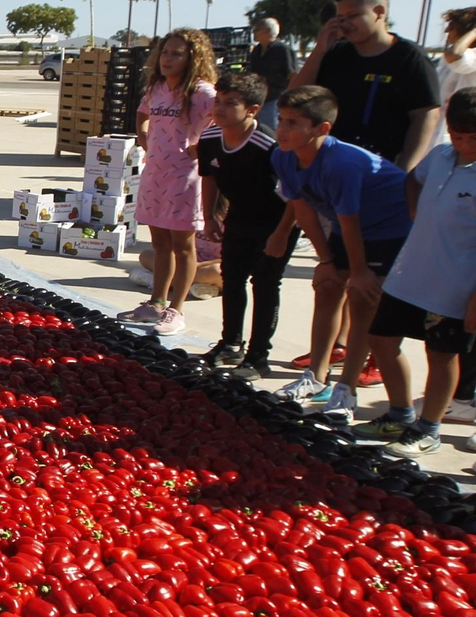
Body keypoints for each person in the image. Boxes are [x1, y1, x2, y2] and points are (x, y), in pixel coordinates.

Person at [270, 86, 412, 425]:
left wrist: (360, 271)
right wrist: (327, 262)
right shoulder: (282, 155)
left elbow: (352, 224)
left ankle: (346, 390)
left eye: (293, 123)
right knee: (328, 287)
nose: (283, 129)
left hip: (390, 227)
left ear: (322, 129)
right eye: (281, 120)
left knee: (362, 300)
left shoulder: (343, 164)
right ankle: (317, 377)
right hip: (344, 224)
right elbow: (303, 210)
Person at [352, 88, 476, 456]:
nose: (464, 143)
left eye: (472, 138)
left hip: (455, 283)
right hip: (411, 271)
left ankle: (430, 428)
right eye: (457, 135)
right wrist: (413, 211)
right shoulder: (439, 155)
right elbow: (413, 178)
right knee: (381, 339)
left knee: (442, 355)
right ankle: (401, 412)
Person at [118, 28, 218, 336]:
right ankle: (156, 302)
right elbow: (142, 113)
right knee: (159, 244)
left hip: (185, 178)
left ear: (193, 57)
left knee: (182, 246)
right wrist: (143, 132)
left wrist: (202, 148)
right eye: (165, 52)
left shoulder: (203, 94)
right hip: (155, 174)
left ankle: (176, 309)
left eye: (176, 53)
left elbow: (225, 125)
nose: (168, 59)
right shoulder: (157, 88)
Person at [197, 72, 297, 379]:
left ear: (252, 110)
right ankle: (230, 343)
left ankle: (258, 356)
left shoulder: (270, 146)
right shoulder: (211, 138)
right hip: (239, 216)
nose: (220, 108)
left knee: (265, 284)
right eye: (218, 101)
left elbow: (295, 194)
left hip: (277, 222)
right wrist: (210, 216)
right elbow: (209, 177)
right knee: (233, 277)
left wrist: (281, 235)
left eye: (231, 103)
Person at [290, 0, 439, 171]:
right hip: (331, 165)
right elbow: (294, 97)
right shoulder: (335, 54)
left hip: (381, 169)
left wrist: (405, 170)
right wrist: (319, 51)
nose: (345, 24)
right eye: (340, 18)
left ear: (379, 12)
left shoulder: (409, 56)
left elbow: (426, 116)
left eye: (353, 16)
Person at [245, 19, 297, 129]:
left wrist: (289, 99)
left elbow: (293, 75)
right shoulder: (256, 51)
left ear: (268, 31)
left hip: (275, 99)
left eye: (257, 29)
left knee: (270, 133)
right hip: (258, 99)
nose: (254, 32)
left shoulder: (282, 50)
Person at [436, 7, 476, 146]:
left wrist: (474, 32)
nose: (447, 30)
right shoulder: (444, 60)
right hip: (436, 134)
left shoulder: (473, 56)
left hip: (457, 139)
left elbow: (455, 55)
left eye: (452, 26)